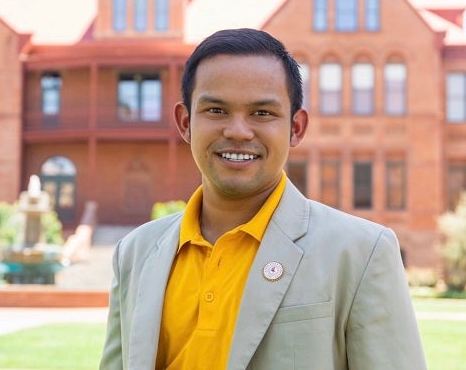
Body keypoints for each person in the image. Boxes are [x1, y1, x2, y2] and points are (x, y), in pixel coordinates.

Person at [99, 28, 426, 370]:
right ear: (185, 122)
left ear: (296, 128)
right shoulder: (134, 252)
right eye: (216, 110)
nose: (238, 131)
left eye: (262, 113)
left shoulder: (361, 253)